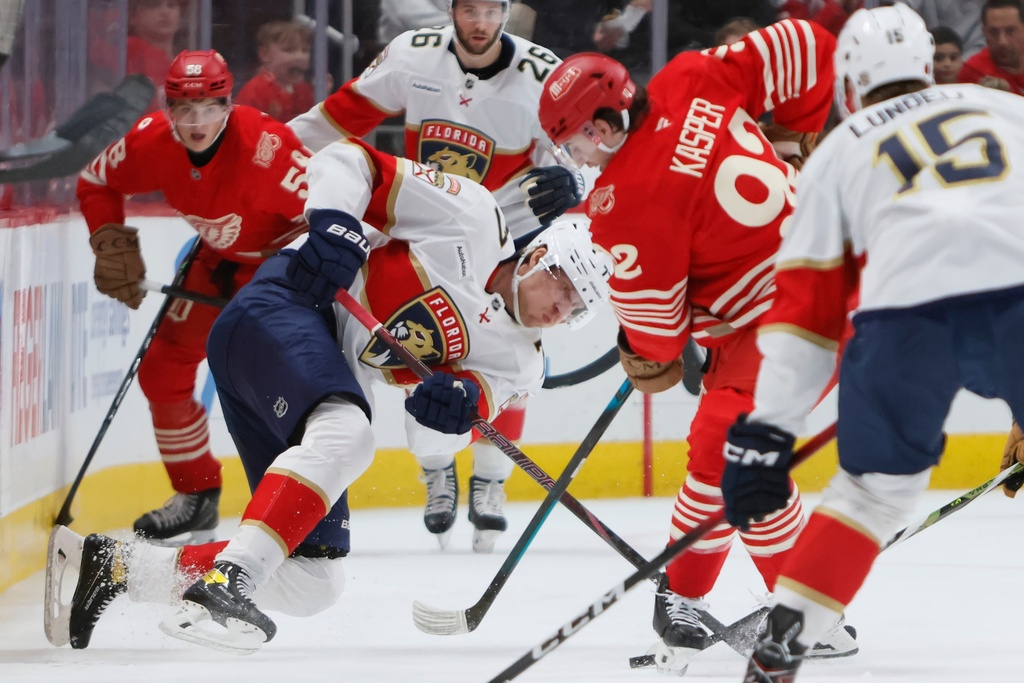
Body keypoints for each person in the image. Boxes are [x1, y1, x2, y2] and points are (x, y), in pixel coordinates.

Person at [46, 137, 612, 652]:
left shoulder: (521, 363)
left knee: (314, 579)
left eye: (576, 306)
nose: (560, 307)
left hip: (323, 374)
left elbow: (428, 437)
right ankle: (228, 579)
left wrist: (448, 417)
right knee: (350, 433)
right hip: (289, 302)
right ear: (536, 257)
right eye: (562, 284)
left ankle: (115, 566)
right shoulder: (473, 216)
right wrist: (335, 225)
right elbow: (349, 161)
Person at [537, 19, 855, 675]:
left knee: (728, 444)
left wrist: (639, 343)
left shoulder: (625, 207)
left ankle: (804, 611)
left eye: (574, 143)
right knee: (720, 446)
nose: (578, 159)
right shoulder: (689, 76)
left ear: (601, 127)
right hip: (829, 273)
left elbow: (659, 341)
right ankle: (688, 600)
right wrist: (792, 140)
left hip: (785, 324)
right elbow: (809, 46)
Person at [719, 5, 1024, 681]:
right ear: (926, 65)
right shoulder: (1007, 110)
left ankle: (786, 636)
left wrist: (769, 429)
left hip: (904, 317)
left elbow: (806, 315)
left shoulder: (838, 150)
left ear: (849, 84)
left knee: (870, 497)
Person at [289, 0, 584, 553]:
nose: (480, 23)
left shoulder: (544, 75)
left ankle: (490, 480)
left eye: (491, 10)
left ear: (507, 11)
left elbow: (586, 154)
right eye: (469, 9)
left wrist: (577, 183)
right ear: (451, 8)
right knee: (426, 352)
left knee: (508, 360)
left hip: (514, 236)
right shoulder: (413, 55)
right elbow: (335, 121)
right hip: (430, 218)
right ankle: (436, 468)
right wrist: (263, 164)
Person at [76, 50, 312, 545]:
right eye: (185, 109)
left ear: (229, 104)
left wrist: (308, 284)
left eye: (209, 108)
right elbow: (96, 180)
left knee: (280, 387)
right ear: (168, 109)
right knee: (163, 370)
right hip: (218, 262)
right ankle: (196, 493)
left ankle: (297, 506)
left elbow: (331, 215)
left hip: (281, 268)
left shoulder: (267, 149)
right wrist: (110, 243)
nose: (197, 123)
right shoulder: (151, 142)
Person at [235, 20, 316, 123]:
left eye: (305, 50)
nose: (300, 57)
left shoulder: (305, 89)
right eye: (289, 50)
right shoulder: (256, 91)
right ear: (264, 54)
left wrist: (324, 94)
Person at [958, 0, 1024, 95]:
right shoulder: (974, 72)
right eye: (994, 32)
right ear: (984, 32)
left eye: (1010, 31)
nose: (1002, 41)